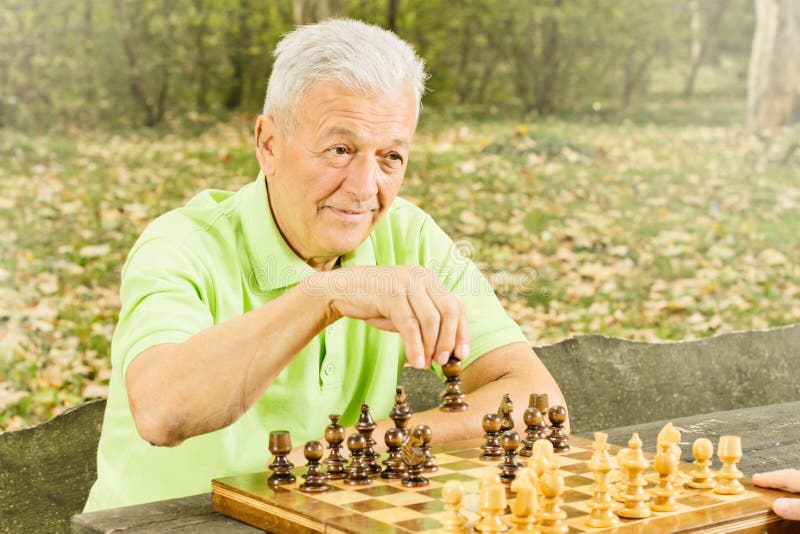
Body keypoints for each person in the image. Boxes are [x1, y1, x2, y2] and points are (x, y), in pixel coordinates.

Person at [83, 19, 565, 512]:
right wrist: (325, 294)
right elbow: (163, 413)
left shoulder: (409, 235)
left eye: (391, 157)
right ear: (268, 144)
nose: (364, 186)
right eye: (340, 150)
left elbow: (539, 405)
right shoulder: (181, 244)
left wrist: (359, 447)